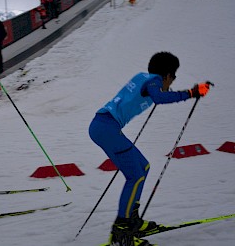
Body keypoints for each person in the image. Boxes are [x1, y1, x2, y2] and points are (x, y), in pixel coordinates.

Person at [88, 52, 212, 246]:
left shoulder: (143, 77)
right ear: (168, 75)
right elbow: (159, 97)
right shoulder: (154, 81)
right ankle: (121, 233)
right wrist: (191, 93)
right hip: (107, 128)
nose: (172, 82)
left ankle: (133, 220)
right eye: (173, 77)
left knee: (143, 167)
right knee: (135, 175)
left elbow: (151, 95)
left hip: (103, 126)